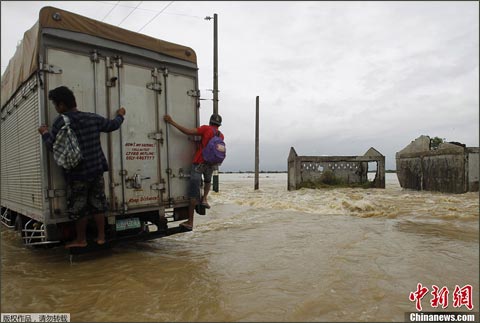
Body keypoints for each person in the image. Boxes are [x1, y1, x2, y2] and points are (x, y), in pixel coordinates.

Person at [38, 86, 126, 248]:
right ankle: (101, 237)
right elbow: (112, 125)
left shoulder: (61, 121)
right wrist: (120, 115)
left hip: (76, 174)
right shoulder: (92, 118)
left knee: (80, 208)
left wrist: (44, 133)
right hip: (96, 170)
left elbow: (53, 146)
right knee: (98, 205)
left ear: (62, 105)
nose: (56, 109)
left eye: (56, 105)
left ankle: (81, 240)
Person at [163, 113, 224, 231]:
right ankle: (205, 198)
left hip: (199, 163)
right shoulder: (221, 136)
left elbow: (188, 131)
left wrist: (172, 122)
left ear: (210, 122)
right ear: (219, 125)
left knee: (193, 194)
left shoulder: (206, 129)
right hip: (210, 164)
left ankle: (190, 222)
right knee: (207, 181)